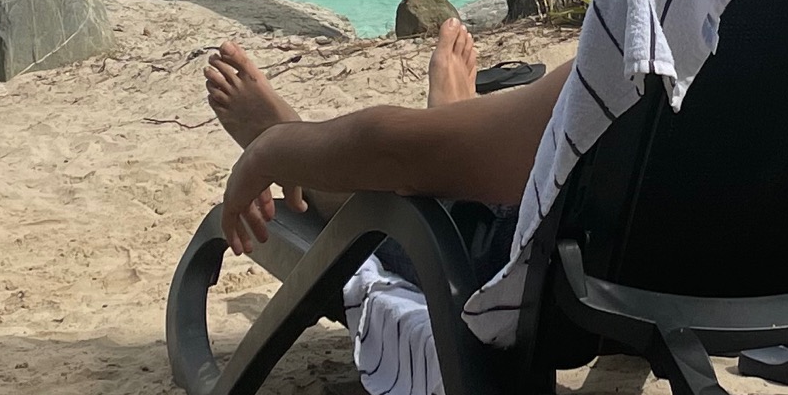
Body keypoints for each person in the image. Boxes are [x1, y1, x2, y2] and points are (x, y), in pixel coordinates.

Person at [207, 19, 564, 255]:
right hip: (605, 297)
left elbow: (394, 153)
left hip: (500, 260)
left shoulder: (616, 54)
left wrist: (270, 150)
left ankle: (304, 160)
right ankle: (450, 123)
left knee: (414, 169)